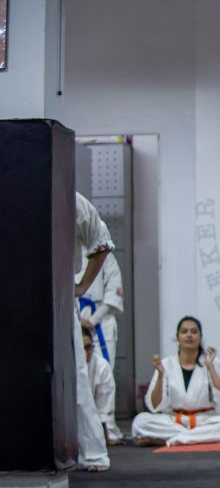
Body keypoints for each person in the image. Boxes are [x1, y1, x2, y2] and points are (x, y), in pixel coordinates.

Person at [132, 316, 220, 446]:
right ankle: (189, 437)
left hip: (204, 420)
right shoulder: (166, 364)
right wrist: (160, 375)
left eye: (194, 332)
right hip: (174, 420)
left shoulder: (213, 363)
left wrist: (210, 368)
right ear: (177, 337)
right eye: (184, 331)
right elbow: (155, 405)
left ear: (200, 337)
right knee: (140, 421)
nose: (189, 335)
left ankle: (169, 440)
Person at [74, 192, 113, 472]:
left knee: (76, 374)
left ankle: (93, 452)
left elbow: (102, 242)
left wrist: (81, 287)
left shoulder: (71, 200)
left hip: (58, 294)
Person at [77, 249, 124, 369]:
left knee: (104, 368)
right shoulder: (67, 253)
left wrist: (94, 319)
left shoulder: (106, 255)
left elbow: (114, 290)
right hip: (75, 318)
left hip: (101, 319)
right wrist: (78, 320)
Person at [81, 327, 120, 446]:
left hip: (93, 421)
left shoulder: (102, 366)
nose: (86, 352)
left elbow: (103, 406)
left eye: (88, 347)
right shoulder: (63, 366)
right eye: (81, 348)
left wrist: (103, 437)